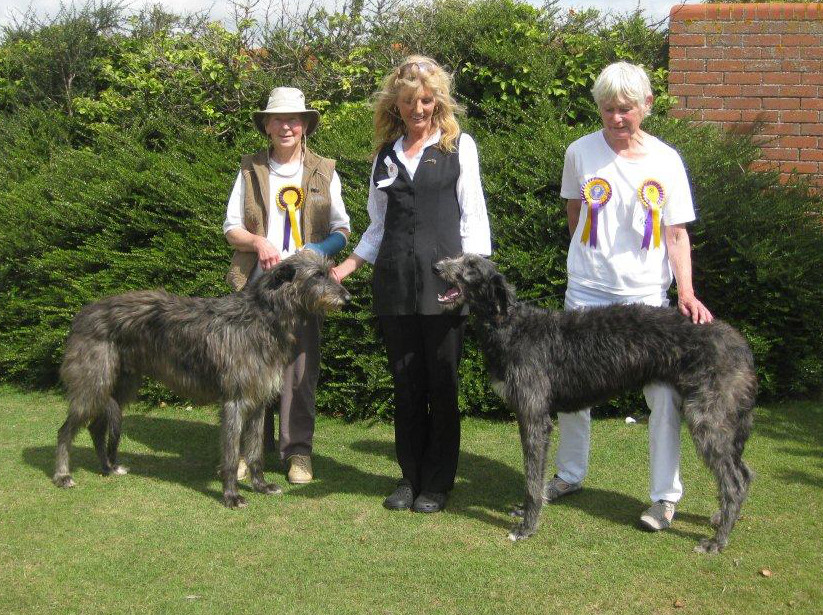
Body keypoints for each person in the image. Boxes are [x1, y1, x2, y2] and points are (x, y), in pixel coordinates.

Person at [549, 61, 713, 531]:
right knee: (572, 390)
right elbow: (575, 211)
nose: (617, 119)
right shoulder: (579, 152)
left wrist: (686, 291)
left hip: (644, 296)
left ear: (646, 106)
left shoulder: (667, 160)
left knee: (663, 396)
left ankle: (664, 497)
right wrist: (588, 259)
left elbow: (677, 233)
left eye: (625, 109)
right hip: (586, 289)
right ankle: (568, 475)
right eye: (607, 110)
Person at [331, 56, 491, 513]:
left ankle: (438, 482)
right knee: (406, 386)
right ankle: (409, 477)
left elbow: (474, 218)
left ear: (437, 101)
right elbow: (377, 227)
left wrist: (470, 279)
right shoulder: (385, 156)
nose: (418, 109)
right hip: (396, 285)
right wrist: (346, 268)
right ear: (395, 106)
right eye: (408, 102)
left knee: (442, 384)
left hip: (446, 286)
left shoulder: (460, 147)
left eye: (425, 100)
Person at [223, 86, 351, 484]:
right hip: (256, 288)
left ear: (305, 125)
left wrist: (316, 248)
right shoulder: (249, 169)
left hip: (304, 291)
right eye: (277, 119)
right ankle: (248, 452)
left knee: (300, 371)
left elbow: (342, 231)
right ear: (266, 125)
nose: (286, 126)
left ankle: (298, 453)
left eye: (293, 119)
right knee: (248, 370)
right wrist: (258, 241)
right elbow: (231, 229)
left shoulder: (325, 170)